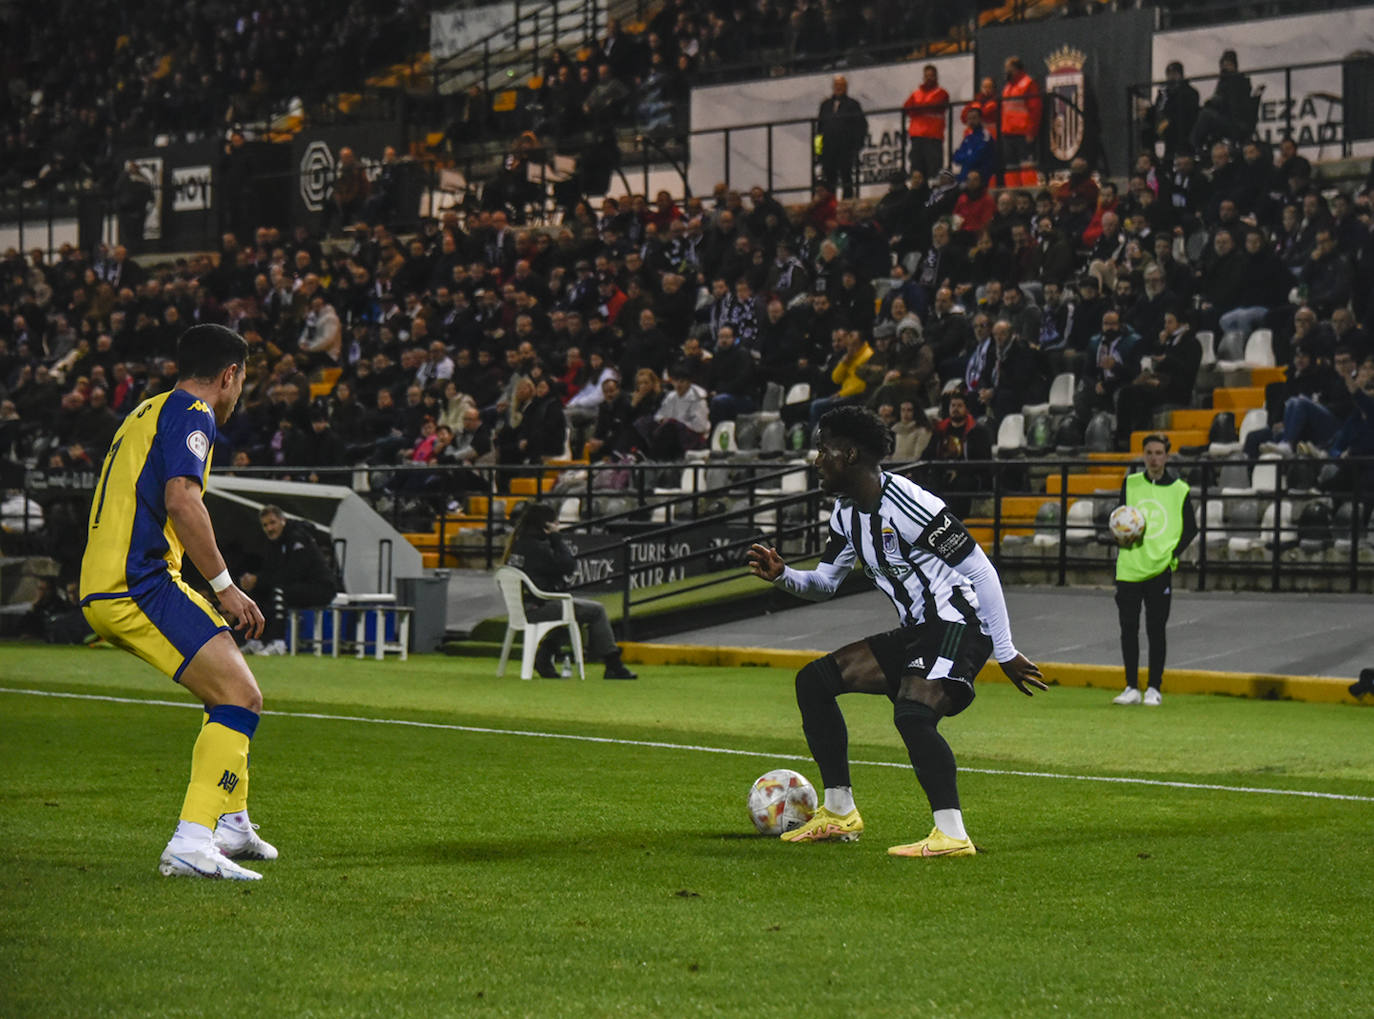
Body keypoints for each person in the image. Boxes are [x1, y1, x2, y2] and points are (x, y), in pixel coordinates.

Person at [746, 406, 1046, 857]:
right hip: (921, 628)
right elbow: (826, 583)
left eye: (823, 449)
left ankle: (952, 836)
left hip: (959, 624)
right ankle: (840, 813)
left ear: (849, 454)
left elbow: (982, 571)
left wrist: (1004, 651)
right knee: (814, 682)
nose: (816, 460)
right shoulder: (845, 514)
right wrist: (784, 575)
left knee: (912, 713)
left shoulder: (911, 504)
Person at [78, 323, 272, 881]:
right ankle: (191, 841)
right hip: (135, 582)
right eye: (242, 381)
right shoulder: (194, 413)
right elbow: (183, 501)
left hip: (113, 576)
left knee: (226, 677)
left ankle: (230, 821)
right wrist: (225, 585)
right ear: (230, 374)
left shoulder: (148, 409)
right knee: (241, 693)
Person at [503, 501, 637, 680]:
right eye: (556, 523)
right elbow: (567, 566)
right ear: (546, 526)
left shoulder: (518, 545)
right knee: (595, 611)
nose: (558, 526)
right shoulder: (539, 547)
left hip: (521, 607)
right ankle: (613, 663)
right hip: (537, 607)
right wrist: (558, 540)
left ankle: (544, 657)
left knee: (575, 612)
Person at [1111, 434, 1198, 707]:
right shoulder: (1131, 483)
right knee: (1128, 628)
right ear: (1143, 455)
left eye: (1159, 453)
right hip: (1129, 568)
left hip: (1159, 569)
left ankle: (1154, 688)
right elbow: (1121, 518)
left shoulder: (1180, 489)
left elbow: (1191, 528)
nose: (1154, 458)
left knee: (1155, 629)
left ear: (1167, 456)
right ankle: (1130, 687)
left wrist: (1171, 555)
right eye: (1149, 452)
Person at [237, 505, 340, 655]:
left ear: (283, 521)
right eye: (265, 525)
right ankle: (256, 640)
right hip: (298, 586)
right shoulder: (273, 544)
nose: (269, 528)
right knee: (259, 591)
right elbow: (273, 572)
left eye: (272, 523)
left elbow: (293, 573)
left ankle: (278, 642)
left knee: (279, 591)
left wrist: (259, 579)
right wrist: (254, 581)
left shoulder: (297, 537)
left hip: (321, 587)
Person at [817, 75, 868, 199]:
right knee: (829, 179)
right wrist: (818, 151)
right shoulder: (825, 105)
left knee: (846, 177)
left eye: (841, 85)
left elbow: (862, 126)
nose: (838, 88)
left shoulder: (853, 104)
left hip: (846, 148)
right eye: (836, 85)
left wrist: (857, 146)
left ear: (846, 87)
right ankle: (830, 205)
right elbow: (819, 130)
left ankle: (848, 203)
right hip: (828, 149)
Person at [902, 65, 949, 181]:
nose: (929, 78)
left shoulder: (942, 93)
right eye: (927, 76)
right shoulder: (916, 93)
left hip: (933, 136)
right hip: (917, 137)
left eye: (931, 76)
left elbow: (936, 105)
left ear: (936, 77)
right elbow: (906, 108)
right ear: (923, 77)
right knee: (916, 169)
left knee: (933, 169)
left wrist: (917, 108)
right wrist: (921, 108)